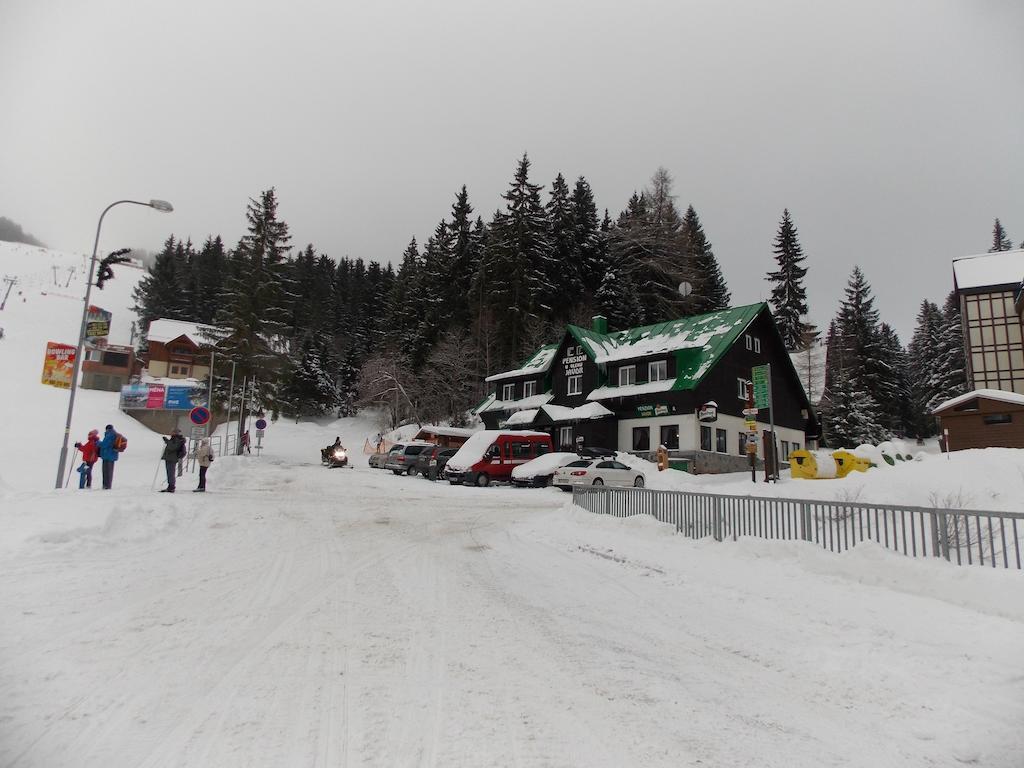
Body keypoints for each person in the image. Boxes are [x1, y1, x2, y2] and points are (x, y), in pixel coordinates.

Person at [160, 428, 187, 493]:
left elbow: (172, 447)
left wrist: (167, 441)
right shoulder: (175, 439)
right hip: (170, 458)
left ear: (175, 433)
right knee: (169, 472)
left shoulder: (177, 439)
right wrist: (168, 441)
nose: (171, 433)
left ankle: (171, 487)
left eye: (172, 432)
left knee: (171, 472)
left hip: (172, 458)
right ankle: (170, 486)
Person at [99, 424, 119, 489]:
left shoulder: (110, 435)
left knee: (106, 471)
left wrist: (98, 443)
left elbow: (104, 444)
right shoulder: (114, 434)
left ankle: (106, 485)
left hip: (107, 455)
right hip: (112, 455)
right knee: (109, 471)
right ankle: (107, 485)